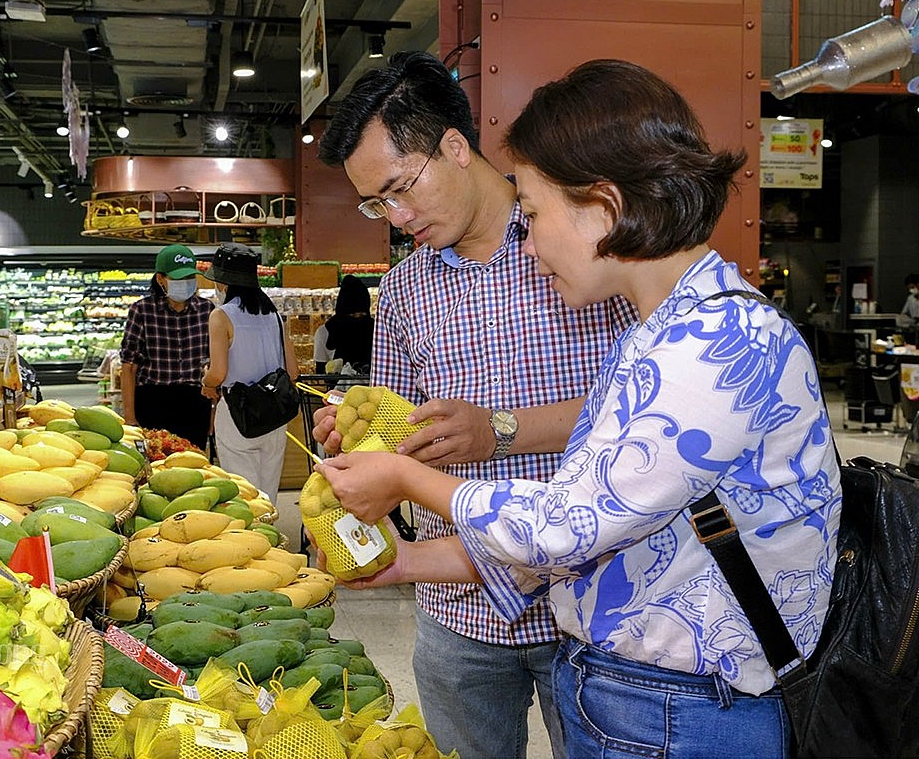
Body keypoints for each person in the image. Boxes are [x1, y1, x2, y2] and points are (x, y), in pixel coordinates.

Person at [317, 59, 843, 758]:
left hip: (686, 708)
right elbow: (586, 520)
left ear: (603, 203)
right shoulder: (656, 334)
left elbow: (567, 527)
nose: (528, 246)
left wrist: (411, 482)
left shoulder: (719, 343)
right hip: (639, 695)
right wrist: (408, 564)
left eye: (532, 214)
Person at [313, 51, 635, 759]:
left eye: (399, 189)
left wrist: (500, 430)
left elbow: (643, 410)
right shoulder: (402, 291)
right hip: (455, 609)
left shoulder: (579, 246)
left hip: (585, 603)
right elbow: (396, 424)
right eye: (375, 205)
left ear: (455, 147)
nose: (395, 218)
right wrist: (356, 428)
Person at [201, 243, 299, 504]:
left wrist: (205, 379)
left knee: (243, 494)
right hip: (274, 413)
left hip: (238, 412)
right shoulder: (274, 315)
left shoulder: (221, 316)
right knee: (268, 493)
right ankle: (270, 537)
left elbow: (218, 373)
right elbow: (293, 371)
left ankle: (252, 542)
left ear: (223, 283)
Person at [119, 244, 214, 449]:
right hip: (153, 399)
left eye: (190, 278)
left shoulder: (207, 310)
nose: (186, 284)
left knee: (194, 464)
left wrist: (213, 414)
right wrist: (129, 416)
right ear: (160, 279)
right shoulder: (142, 310)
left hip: (195, 401)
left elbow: (215, 363)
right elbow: (129, 365)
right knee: (155, 465)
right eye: (178, 279)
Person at [313, 274, 374, 375]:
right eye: (352, 315)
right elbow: (320, 371)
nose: (358, 319)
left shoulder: (377, 330)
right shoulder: (324, 333)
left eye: (362, 314)